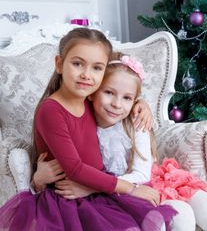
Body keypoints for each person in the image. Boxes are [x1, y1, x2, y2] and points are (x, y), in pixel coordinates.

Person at [0, 28, 177, 231]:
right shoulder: (51, 110)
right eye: (77, 64)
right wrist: (131, 189)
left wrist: (141, 103)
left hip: (97, 190)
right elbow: (75, 169)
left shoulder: (89, 100)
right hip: (67, 199)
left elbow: (118, 95)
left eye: (97, 68)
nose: (86, 75)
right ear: (59, 64)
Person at [34, 51, 207, 231]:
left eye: (127, 98)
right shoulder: (78, 120)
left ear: (134, 100)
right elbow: (69, 165)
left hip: (149, 180)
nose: (116, 104)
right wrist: (39, 179)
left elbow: (142, 173)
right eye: (109, 93)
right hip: (121, 195)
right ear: (92, 93)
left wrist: (93, 187)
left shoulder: (136, 122)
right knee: (180, 217)